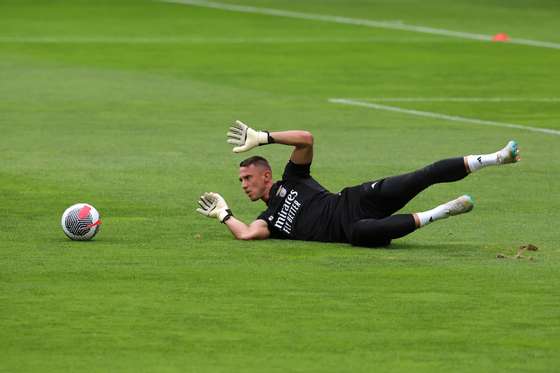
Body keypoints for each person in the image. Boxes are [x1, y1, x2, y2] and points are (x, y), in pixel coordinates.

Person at [196, 120, 520, 247]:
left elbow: (306, 139)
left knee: (419, 177)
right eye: (240, 181)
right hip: (351, 229)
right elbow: (247, 234)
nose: (243, 185)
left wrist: (264, 138)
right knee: (362, 234)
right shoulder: (267, 220)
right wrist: (224, 213)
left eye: (247, 178)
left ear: (266, 175)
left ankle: (496, 158)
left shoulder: (293, 178)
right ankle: (444, 211)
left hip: (356, 200)